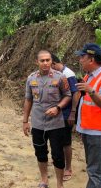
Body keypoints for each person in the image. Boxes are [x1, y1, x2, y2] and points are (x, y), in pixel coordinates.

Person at [22, 50, 72, 188]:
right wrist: (25, 121)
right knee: (40, 152)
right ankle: (44, 180)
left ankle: (59, 184)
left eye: (48, 60)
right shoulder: (31, 78)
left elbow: (68, 95)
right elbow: (28, 100)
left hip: (56, 123)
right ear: (36, 62)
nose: (45, 63)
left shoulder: (60, 77)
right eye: (42, 60)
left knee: (58, 154)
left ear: (51, 61)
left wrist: (58, 107)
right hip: (38, 123)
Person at [73, 43, 101, 188]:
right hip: (89, 129)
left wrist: (91, 91)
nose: (80, 60)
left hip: (98, 132)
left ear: (91, 60)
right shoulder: (89, 76)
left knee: (95, 171)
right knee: (92, 168)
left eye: (82, 57)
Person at [50, 53, 79, 181]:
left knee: (66, 142)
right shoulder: (57, 74)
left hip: (66, 114)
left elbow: (76, 93)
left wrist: (73, 112)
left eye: (50, 66)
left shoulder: (68, 74)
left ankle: (68, 168)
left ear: (53, 64)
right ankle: (61, 164)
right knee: (58, 141)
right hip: (58, 112)